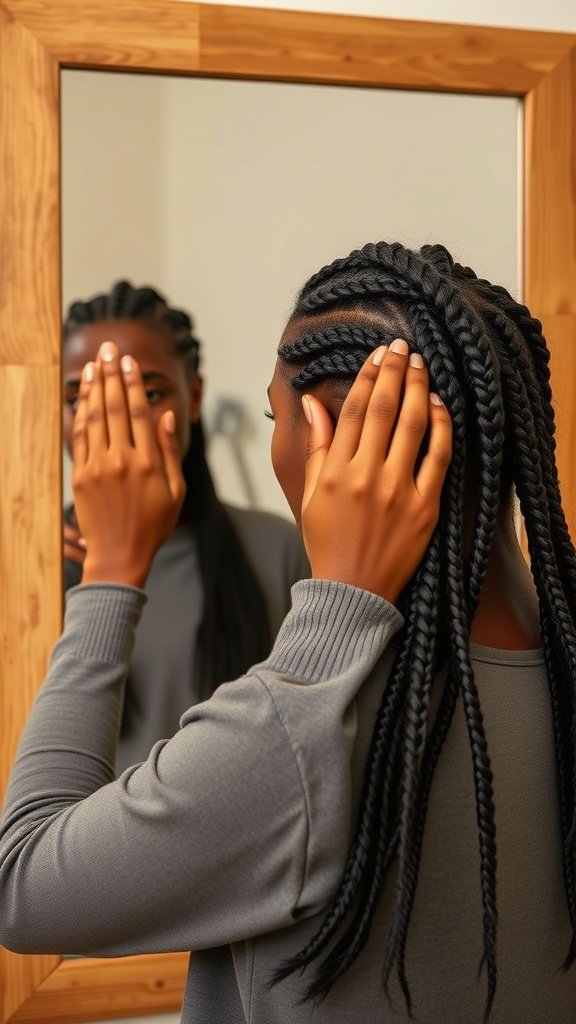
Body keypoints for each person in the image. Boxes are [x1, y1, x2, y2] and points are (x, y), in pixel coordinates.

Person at [0, 239, 573, 1024]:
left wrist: (112, 569)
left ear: (344, 444)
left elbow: (26, 884)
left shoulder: (292, 737)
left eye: (278, 415)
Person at [61, 281, 309, 771]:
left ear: (193, 397)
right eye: (78, 398)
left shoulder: (277, 548)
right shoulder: (26, 565)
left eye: (149, 393)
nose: (113, 418)